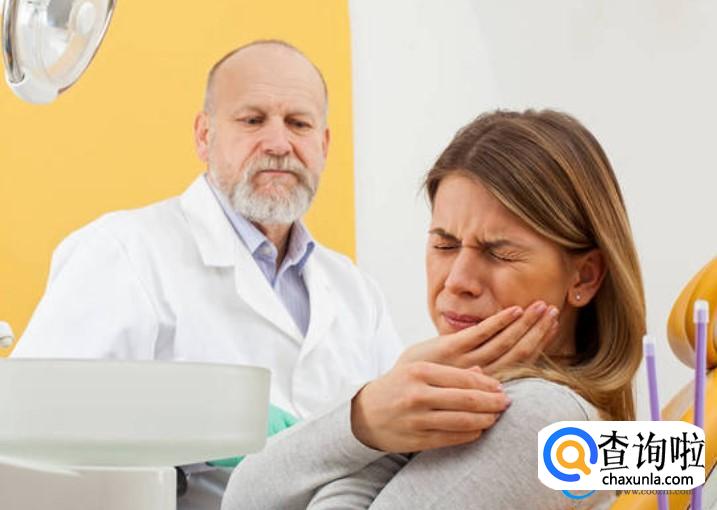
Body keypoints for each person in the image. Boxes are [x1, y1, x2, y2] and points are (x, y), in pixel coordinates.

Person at [221, 109, 646, 509]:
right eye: (444, 244)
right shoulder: (486, 406)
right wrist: (364, 418)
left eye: (499, 252)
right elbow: (240, 498)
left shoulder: (547, 422)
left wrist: (382, 439)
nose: (458, 280)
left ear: (584, 277)